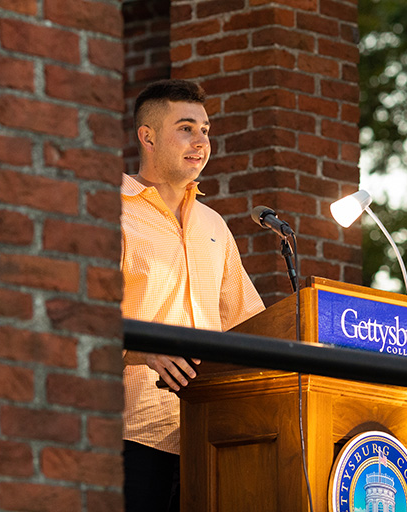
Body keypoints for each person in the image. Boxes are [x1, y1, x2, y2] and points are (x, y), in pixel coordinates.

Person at [120, 79, 265, 512]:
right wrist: (143, 348)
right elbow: (79, 316)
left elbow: (247, 324)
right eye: (186, 128)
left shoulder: (214, 225)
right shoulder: (111, 211)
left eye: (205, 130)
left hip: (209, 438)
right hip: (130, 432)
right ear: (147, 136)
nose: (201, 141)